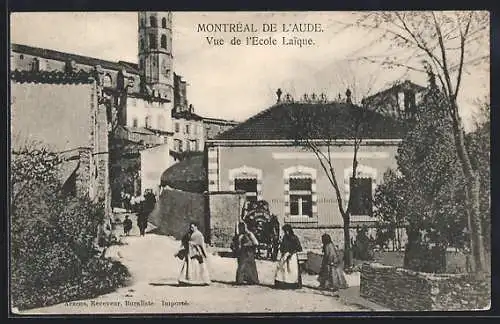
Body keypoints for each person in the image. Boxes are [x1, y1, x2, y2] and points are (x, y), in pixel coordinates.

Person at [274, 224, 303, 289]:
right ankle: (282, 284)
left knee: (292, 270)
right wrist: (281, 245)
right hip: (284, 255)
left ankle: (292, 284)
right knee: (282, 270)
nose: (286, 232)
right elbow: (282, 247)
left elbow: (299, 248)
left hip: (292, 257)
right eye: (285, 231)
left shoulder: (294, 238)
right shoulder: (285, 237)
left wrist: (291, 253)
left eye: (287, 231)